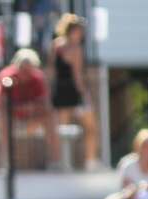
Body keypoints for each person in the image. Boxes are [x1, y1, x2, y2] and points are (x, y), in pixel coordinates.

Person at [0, 48, 60, 169]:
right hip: (3, 120)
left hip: (27, 119)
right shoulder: (6, 77)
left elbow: (45, 104)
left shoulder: (37, 78)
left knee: (51, 116)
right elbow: (0, 103)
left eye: (28, 69)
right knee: (4, 118)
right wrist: (25, 108)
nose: (25, 73)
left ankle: (56, 162)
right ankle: (7, 163)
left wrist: (30, 109)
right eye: (22, 69)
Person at [49, 13, 101, 170]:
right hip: (74, 93)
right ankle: (90, 161)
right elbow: (77, 76)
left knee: (63, 131)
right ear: (72, 31)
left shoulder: (56, 45)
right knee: (91, 127)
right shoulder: (76, 49)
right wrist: (85, 96)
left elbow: (51, 71)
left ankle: (64, 163)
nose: (81, 35)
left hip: (60, 92)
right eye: (79, 31)